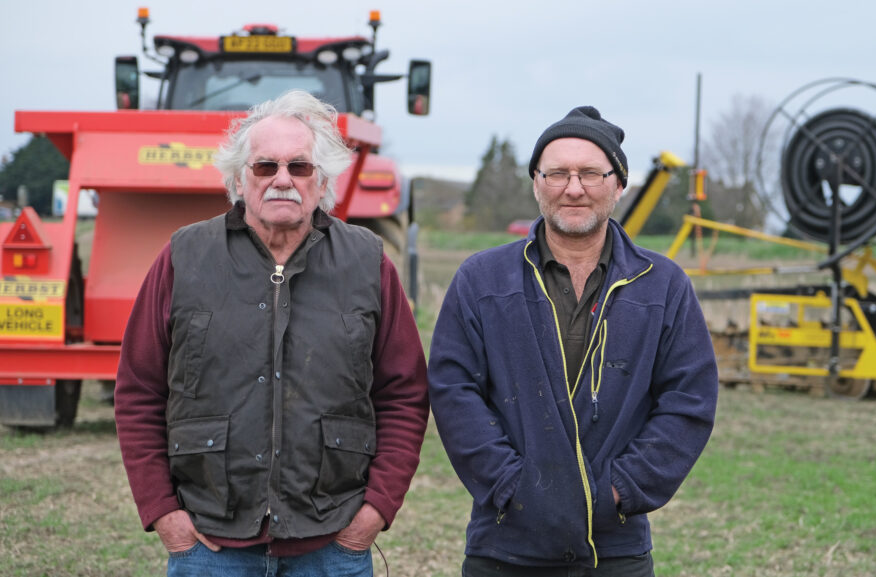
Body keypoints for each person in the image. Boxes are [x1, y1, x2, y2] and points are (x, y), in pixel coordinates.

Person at [114, 90, 429, 576]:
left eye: (299, 167)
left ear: (321, 179)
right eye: (266, 167)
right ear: (240, 177)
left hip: (332, 542)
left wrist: (376, 510)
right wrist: (162, 512)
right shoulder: (184, 255)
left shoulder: (367, 261)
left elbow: (404, 393)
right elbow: (139, 390)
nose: (282, 180)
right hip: (208, 543)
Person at [427, 106, 718, 576]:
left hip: (614, 550)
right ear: (536, 183)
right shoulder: (481, 279)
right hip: (504, 545)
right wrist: (510, 486)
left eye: (590, 173)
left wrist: (622, 489)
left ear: (618, 184)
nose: (574, 187)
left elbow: (689, 399)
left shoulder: (661, 285)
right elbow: (453, 391)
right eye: (557, 173)